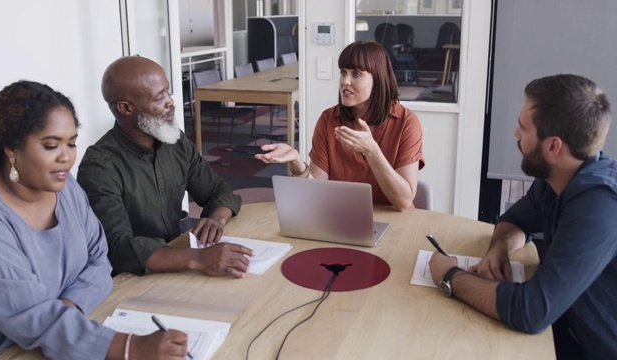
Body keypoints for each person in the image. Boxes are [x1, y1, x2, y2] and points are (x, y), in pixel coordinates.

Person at [0, 80, 188, 359]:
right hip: (5, 352)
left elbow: (100, 260)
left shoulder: (65, 189)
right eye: (51, 145)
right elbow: (31, 314)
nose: (66, 158)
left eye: (72, 143)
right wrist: (130, 348)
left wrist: (70, 306)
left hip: (70, 332)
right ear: (11, 148)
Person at [428, 74, 617, 359]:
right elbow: (514, 220)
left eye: (523, 127)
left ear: (553, 146)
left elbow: (532, 311)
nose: (516, 134)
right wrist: (499, 249)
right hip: (567, 329)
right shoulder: (558, 177)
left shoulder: (599, 206)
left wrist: (449, 276)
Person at [77, 56, 252, 277]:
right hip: (131, 279)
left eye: (168, 92)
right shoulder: (99, 166)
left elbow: (219, 191)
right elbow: (119, 248)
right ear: (125, 108)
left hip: (179, 260)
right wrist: (198, 258)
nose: (171, 102)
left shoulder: (175, 142)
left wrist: (217, 219)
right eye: (160, 97)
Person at [255, 41, 425, 211]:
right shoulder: (329, 119)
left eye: (356, 74)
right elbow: (317, 194)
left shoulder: (406, 122)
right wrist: (297, 163)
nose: (345, 81)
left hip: (394, 223)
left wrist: (372, 151)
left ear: (379, 78)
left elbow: (403, 202)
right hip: (341, 218)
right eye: (343, 73)